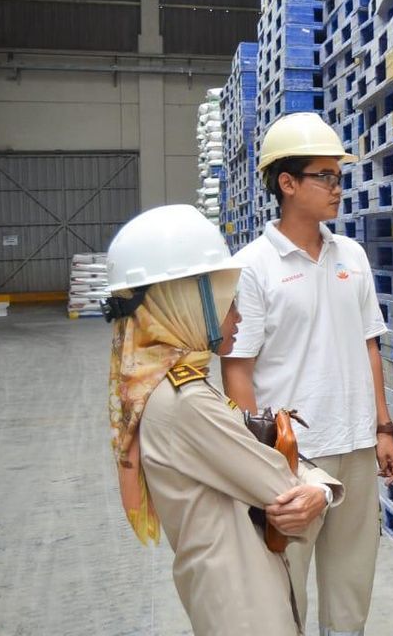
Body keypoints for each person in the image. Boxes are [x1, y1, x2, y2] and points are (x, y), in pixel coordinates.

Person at [105, 204, 343, 636]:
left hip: (225, 591)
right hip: (244, 605)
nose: (238, 318)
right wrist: (323, 489)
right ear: (184, 304)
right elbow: (282, 487)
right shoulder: (184, 402)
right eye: (227, 304)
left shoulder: (158, 386)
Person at [222, 112, 393, 636]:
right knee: (283, 596)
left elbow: (370, 344)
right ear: (288, 183)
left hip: (356, 448)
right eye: (326, 176)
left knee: (351, 594)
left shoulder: (354, 257)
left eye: (339, 176)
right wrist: (257, 458)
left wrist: (383, 428)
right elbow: (238, 369)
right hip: (291, 458)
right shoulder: (252, 267)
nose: (337, 188)